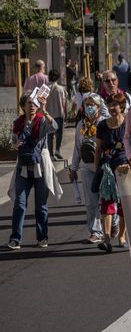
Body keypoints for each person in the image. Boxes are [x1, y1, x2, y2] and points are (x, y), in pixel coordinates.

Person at [6, 95, 61, 250]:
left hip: (40, 167)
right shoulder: (18, 123)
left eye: (35, 103)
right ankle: (15, 239)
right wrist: (14, 144)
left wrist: (45, 111)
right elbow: (12, 142)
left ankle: (42, 237)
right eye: (29, 103)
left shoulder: (42, 120)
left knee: (41, 206)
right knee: (20, 204)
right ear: (23, 106)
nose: (32, 106)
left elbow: (55, 127)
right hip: (23, 167)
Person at [69, 93, 108, 243]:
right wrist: (73, 169)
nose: (89, 107)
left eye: (92, 105)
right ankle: (95, 231)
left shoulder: (104, 123)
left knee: (106, 198)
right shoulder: (81, 124)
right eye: (87, 104)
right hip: (86, 166)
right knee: (91, 201)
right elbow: (77, 147)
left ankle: (114, 222)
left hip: (103, 165)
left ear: (98, 107)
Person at [95, 93, 130, 252]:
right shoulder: (102, 125)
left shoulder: (128, 123)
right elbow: (98, 149)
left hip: (124, 167)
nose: (111, 108)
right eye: (109, 105)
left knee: (123, 203)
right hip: (107, 167)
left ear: (122, 106)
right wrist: (97, 169)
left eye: (115, 104)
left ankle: (122, 236)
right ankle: (107, 238)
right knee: (106, 202)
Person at [45, 69, 67, 160]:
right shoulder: (61, 89)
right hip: (58, 114)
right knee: (59, 134)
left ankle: (50, 154)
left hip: (48, 115)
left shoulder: (45, 88)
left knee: (50, 135)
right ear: (58, 78)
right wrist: (65, 114)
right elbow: (64, 103)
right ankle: (57, 150)